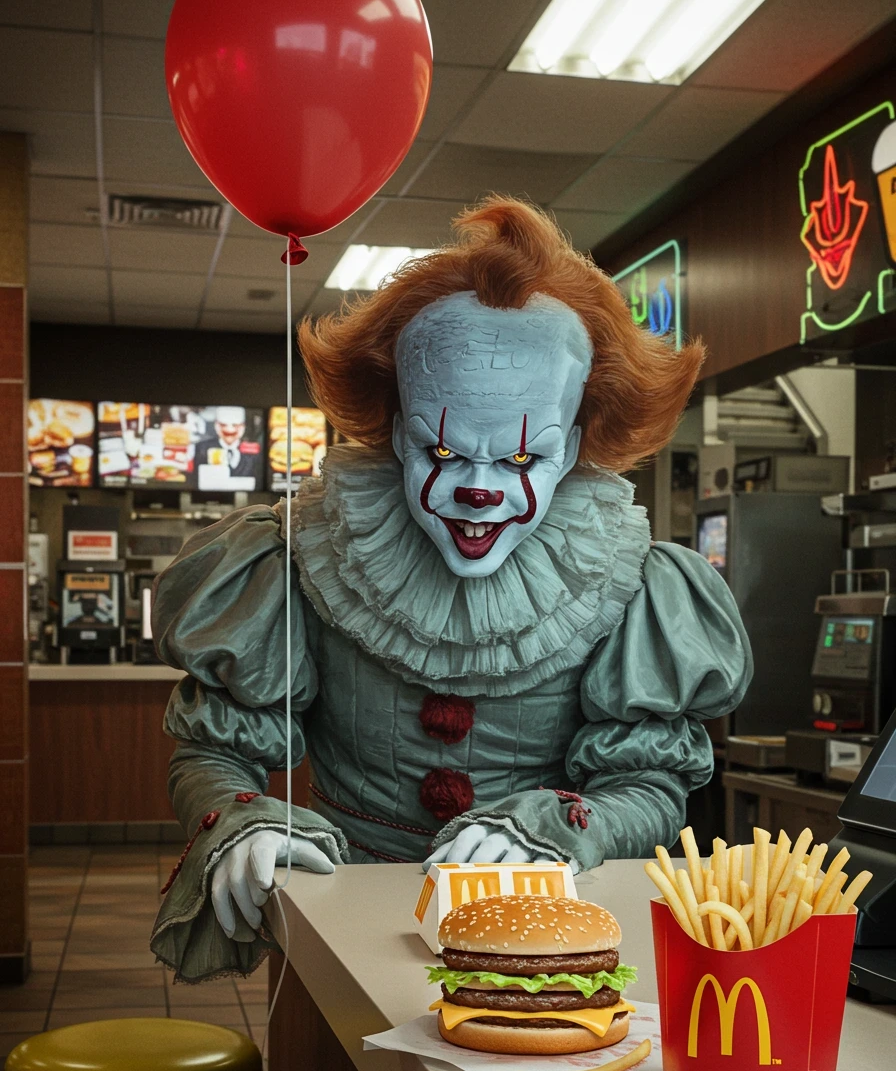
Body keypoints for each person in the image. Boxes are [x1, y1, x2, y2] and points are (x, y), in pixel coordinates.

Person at [150, 197, 751, 982]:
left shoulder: (631, 582)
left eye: (522, 461)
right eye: (443, 449)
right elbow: (217, 747)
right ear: (399, 433)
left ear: (571, 449)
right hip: (341, 933)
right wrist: (235, 819)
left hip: (549, 942)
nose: (478, 491)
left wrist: (567, 827)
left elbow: (646, 784)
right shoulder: (299, 556)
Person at [193, 406, 260, 480]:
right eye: (223, 425)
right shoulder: (202, 448)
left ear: (242, 427)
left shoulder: (253, 451)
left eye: (235, 425)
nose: (229, 429)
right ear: (217, 426)